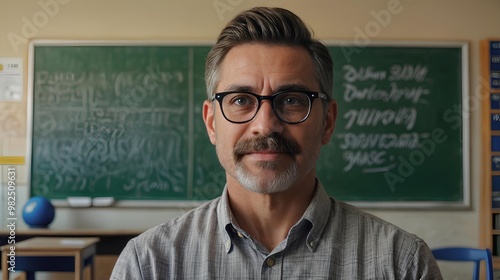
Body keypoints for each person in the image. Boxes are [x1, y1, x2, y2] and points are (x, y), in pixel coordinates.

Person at [111, 6, 442, 279]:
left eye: (292, 99)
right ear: (212, 123)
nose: (265, 124)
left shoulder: (403, 264)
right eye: (241, 100)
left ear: (327, 121)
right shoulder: (149, 264)